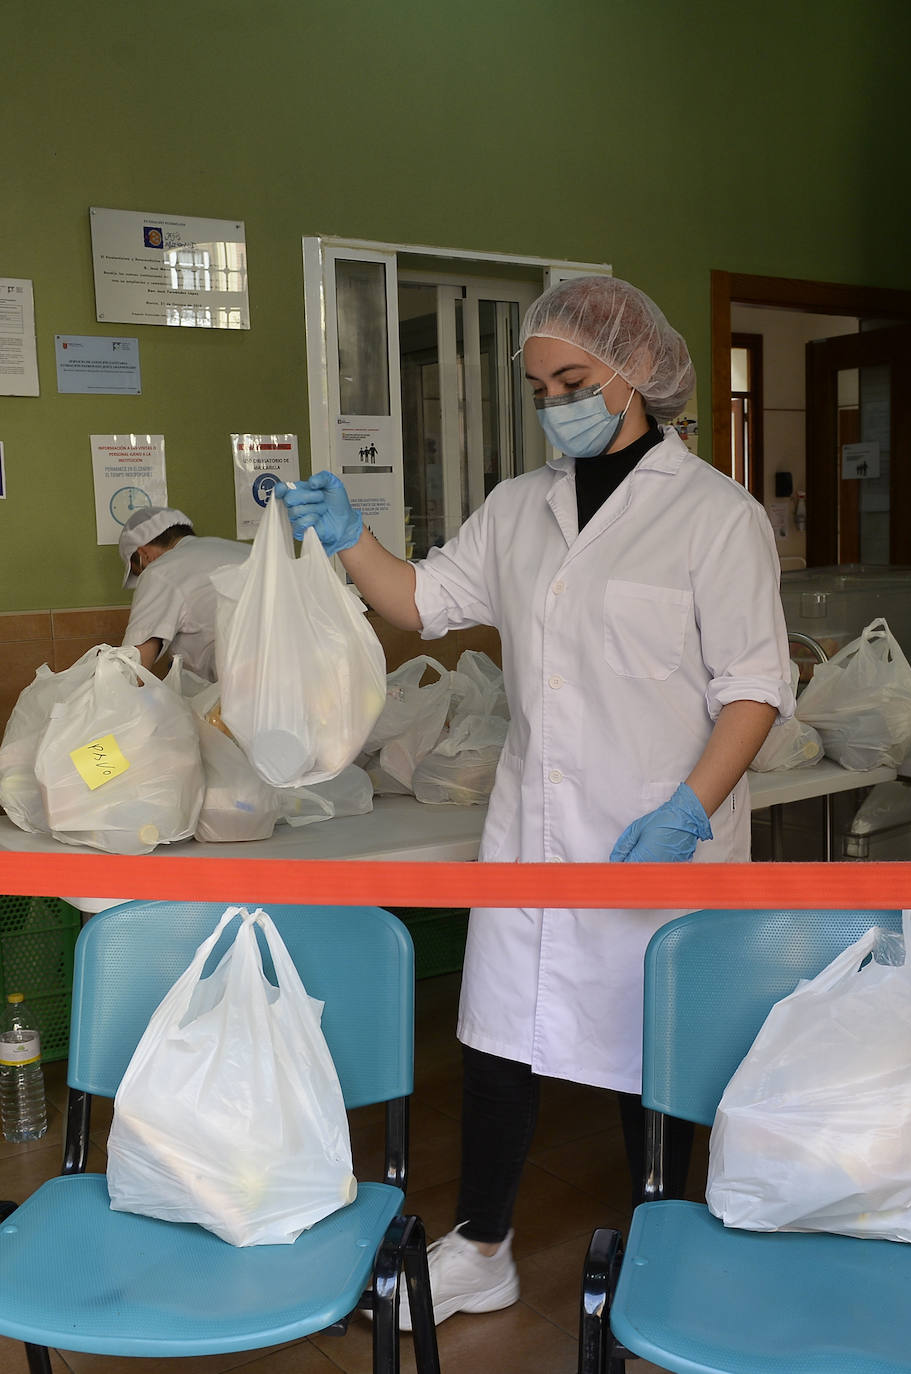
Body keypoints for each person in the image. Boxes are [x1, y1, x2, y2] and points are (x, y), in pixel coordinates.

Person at [276, 275, 794, 1328]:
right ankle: (483, 1245)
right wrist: (346, 533)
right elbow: (423, 602)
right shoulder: (519, 507)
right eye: (541, 385)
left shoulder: (715, 517)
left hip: (658, 836)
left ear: (637, 373)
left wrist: (688, 810)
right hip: (533, 834)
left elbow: (753, 690)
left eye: (574, 379)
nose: (557, 400)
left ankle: (663, 1237)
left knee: (651, 1047)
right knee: (499, 1036)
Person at [118, 506, 250, 681]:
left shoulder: (160, 571)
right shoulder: (242, 550)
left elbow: (134, 669)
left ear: (145, 555)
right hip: (294, 674)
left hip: (250, 686)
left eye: (139, 571)